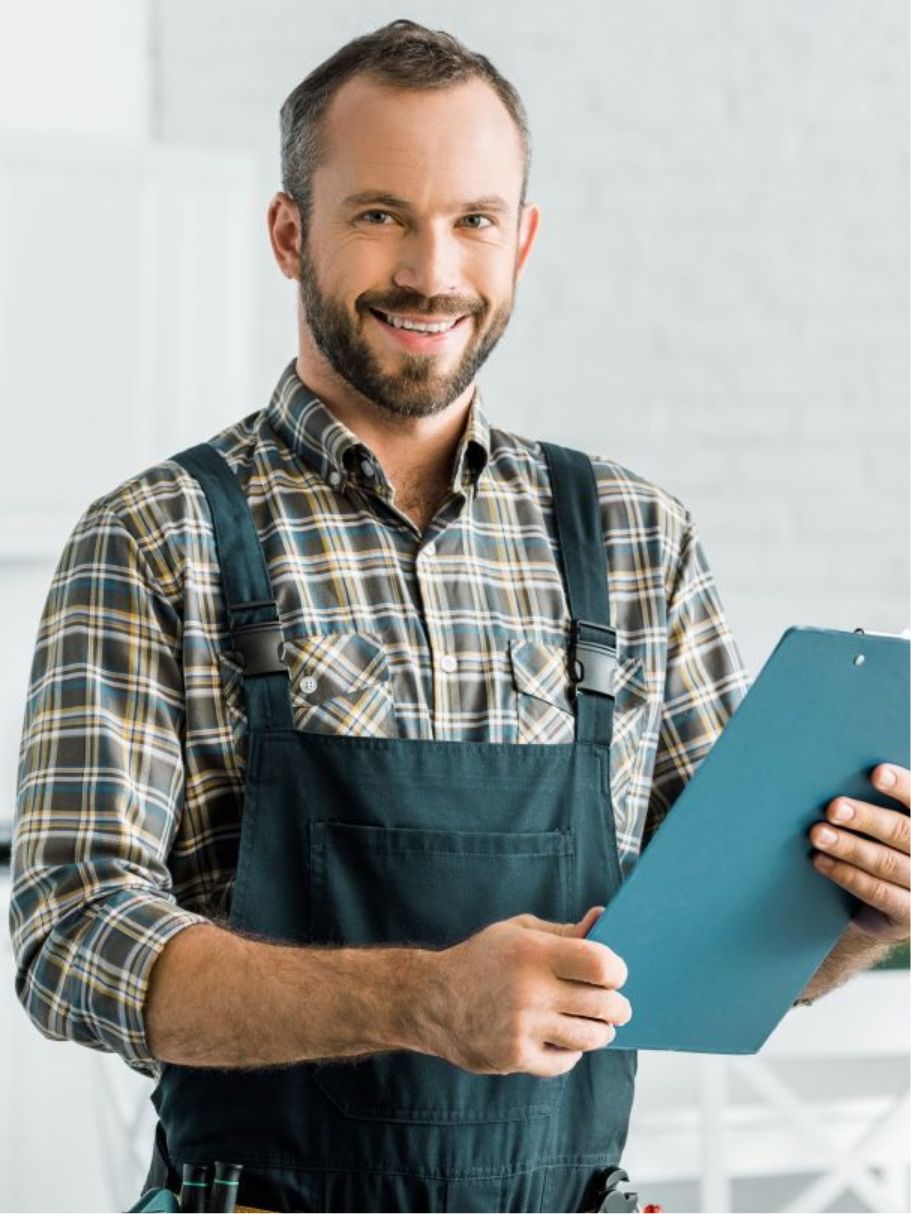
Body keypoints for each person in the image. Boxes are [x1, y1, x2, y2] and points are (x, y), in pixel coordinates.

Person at [10, 19, 909, 1214]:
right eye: (380, 213)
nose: (432, 271)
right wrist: (419, 997)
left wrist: (854, 914)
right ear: (291, 233)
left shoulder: (638, 539)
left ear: (522, 238)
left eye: (474, 219)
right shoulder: (154, 535)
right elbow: (67, 936)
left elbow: (713, 950)